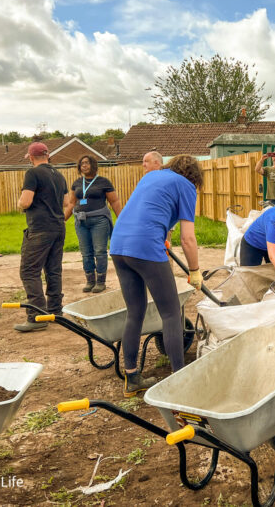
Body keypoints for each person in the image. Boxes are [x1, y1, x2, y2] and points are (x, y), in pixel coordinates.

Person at [109, 154, 203, 397]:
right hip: (146, 246)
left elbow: (148, 211)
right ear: (193, 176)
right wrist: (195, 271)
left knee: (135, 311)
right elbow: (188, 238)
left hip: (119, 245)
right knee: (171, 313)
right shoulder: (186, 186)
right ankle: (179, 381)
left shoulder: (151, 177)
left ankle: (131, 378)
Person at [15, 142, 69, 332]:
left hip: (40, 228)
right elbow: (65, 202)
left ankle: (37, 316)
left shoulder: (33, 173)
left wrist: (20, 202)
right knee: (53, 270)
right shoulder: (58, 175)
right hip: (58, 226)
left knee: (29, 271)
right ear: (48, 156)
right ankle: (55, 312)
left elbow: (26, 201)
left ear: (31, 157)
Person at [65, 155, 122, 293]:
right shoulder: (77, 183)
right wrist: (62, 220)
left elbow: (114, 201)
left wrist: (122, 220)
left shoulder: (103, 182)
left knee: (99, 251)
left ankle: (101, 282)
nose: (84, 165)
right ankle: (90, 281)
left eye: (87, 163)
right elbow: (72, 203)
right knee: (86, 253)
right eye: (82, 163)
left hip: (99, 221)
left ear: (93, 165)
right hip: (81, 221)